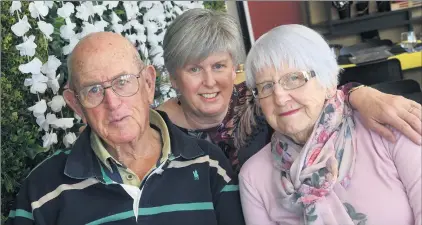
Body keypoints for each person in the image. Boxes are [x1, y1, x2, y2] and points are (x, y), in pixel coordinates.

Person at [6, 32, 245, 225]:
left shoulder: (209, 165)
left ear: (148, 84)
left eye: (123, 82)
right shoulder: (42, 189)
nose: (113, 103)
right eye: (94, 90)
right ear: (76, 104)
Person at [157, 8, 422, 172]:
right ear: (173, 77)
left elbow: (316, 95)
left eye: (218, 66)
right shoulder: (157, 132)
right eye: (193, 69)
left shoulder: (257, 98)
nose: (210, 81)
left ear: (234, 68)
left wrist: (362, 93)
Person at [239, 24, 421, 225]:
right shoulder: (254, 177)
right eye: (266, 86)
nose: (280, 98)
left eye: (294, 78)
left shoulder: (390, 128)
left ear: (329, 82)